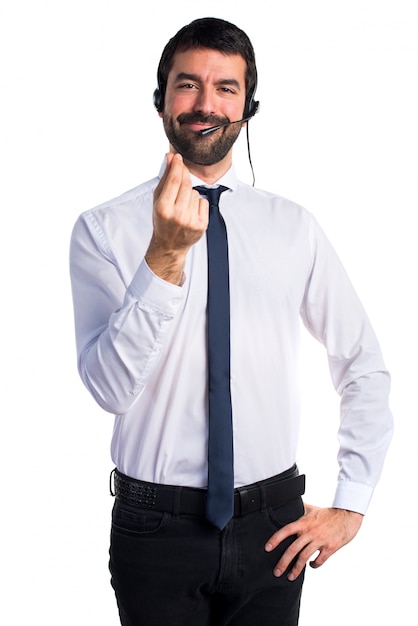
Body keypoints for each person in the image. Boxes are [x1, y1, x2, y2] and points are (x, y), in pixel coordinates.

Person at [70, 17, 393, 626]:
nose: (205, 104)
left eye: (225, 88)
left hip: (275, 529)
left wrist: (352, 503)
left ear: (248, 107)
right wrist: (163, 258)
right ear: (161, 98)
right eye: (188, 85)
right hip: (154, 529)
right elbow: (109, 389)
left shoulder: (294, 227)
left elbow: (363, 364)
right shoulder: (103, 230)